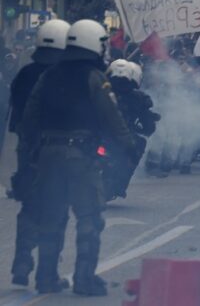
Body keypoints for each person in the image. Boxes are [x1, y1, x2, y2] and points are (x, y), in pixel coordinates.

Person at [20, 19, 139, 296]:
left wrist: (33, 151)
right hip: (80, 154)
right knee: (89, 216)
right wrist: (128, 147)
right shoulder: (94, 78)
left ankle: (45, 277)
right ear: (92, 44)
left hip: (48, 154)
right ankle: (84, 279)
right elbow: (111, 116)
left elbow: (29, 116)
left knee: (52, 215)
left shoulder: (47, 75)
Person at [9, 19, 70, 288]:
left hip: (27, 149)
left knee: (30, 208)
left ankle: (21, 263)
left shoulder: (24, 74)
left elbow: (15, 119)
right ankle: (47, 274)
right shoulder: (67, 76)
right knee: (56, 210)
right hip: (58, 151)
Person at [103, 60, 159, 198]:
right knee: (139, 144)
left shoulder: (101, 90)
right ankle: (120, 183)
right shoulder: (138, 98)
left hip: (99, 134)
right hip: (121, 136)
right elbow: (148, 127)